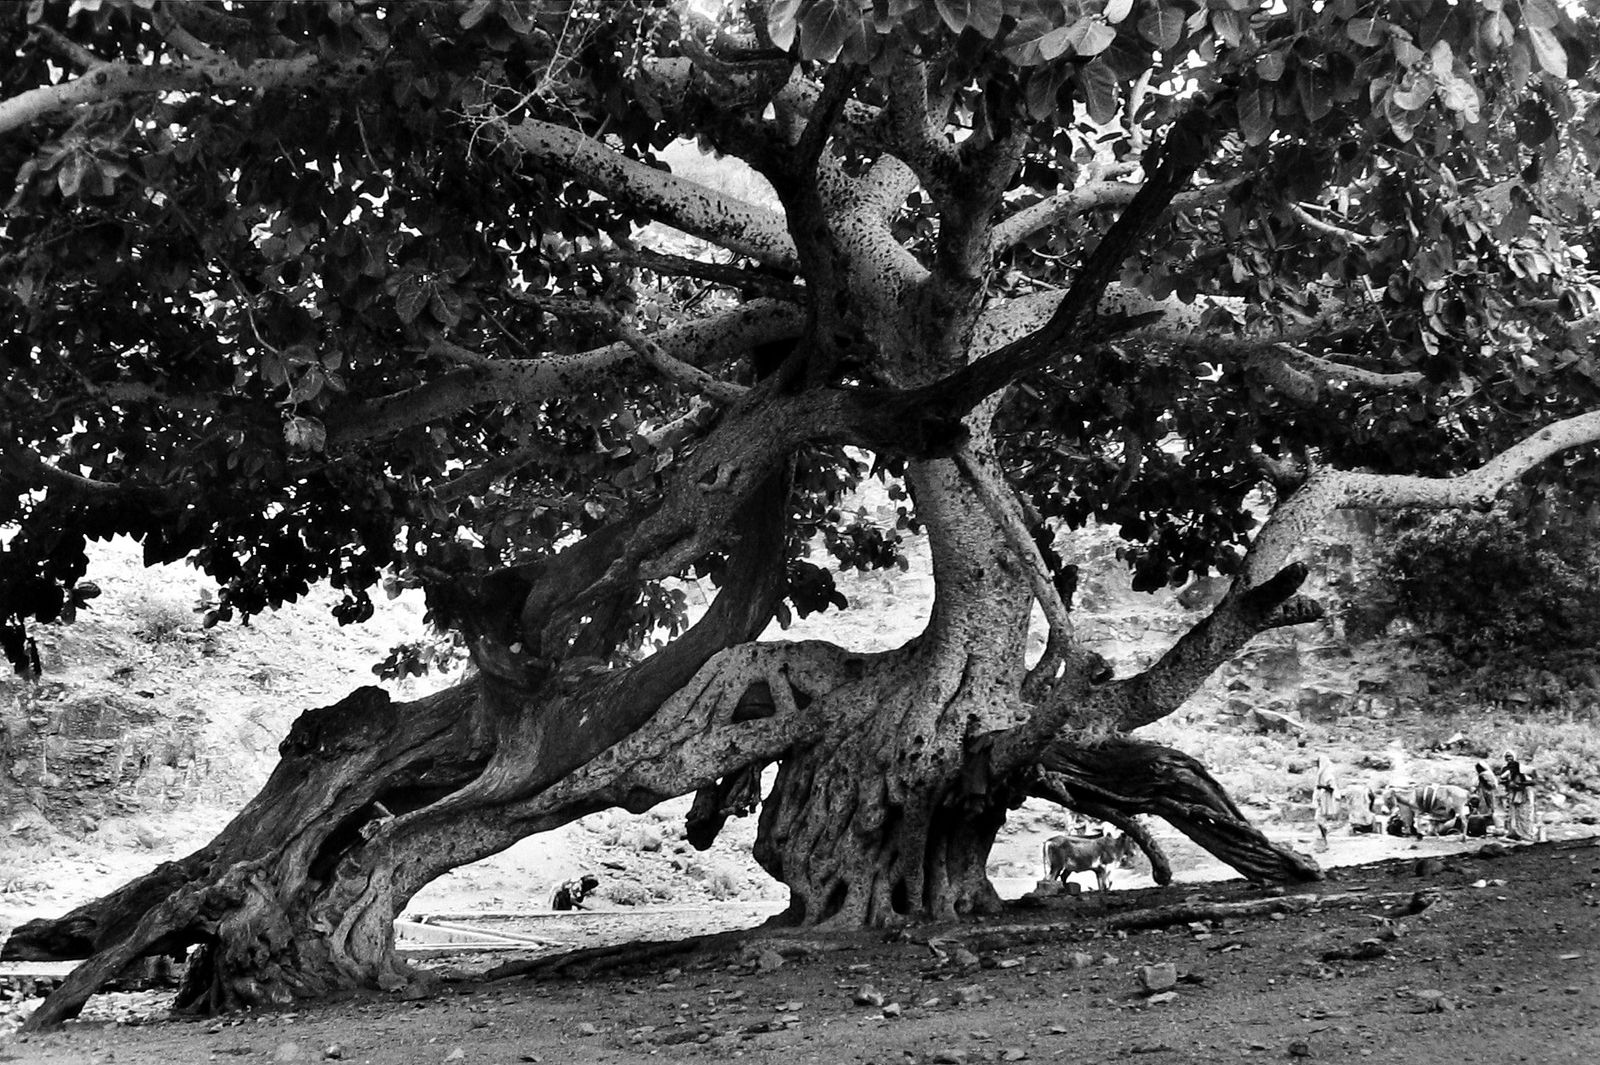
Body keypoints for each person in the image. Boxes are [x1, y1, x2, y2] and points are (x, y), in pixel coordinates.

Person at [1497, 750, 1538, 842]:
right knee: (1513, 814)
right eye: (1507, 757)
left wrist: (1520, 784)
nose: (1509, 758)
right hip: (1512, 794)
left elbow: (1533, 781)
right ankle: (1514, 832)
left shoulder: (1523, 769)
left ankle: (1526, 832)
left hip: (1524, 794)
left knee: (1524, 813)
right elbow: (1502, 780)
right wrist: (1508, 783)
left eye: (1510, 756)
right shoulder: (1505, 769)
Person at [1313, 755, 1340, 852]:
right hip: (1321, 798)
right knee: (1318, 819)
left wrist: (1322, 787)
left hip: (1326, 799)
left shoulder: (1328, 774)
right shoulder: (1321, 774)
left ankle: (1324, 838)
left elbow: (1332, 787)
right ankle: (1324, 838)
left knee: (1320, 819)